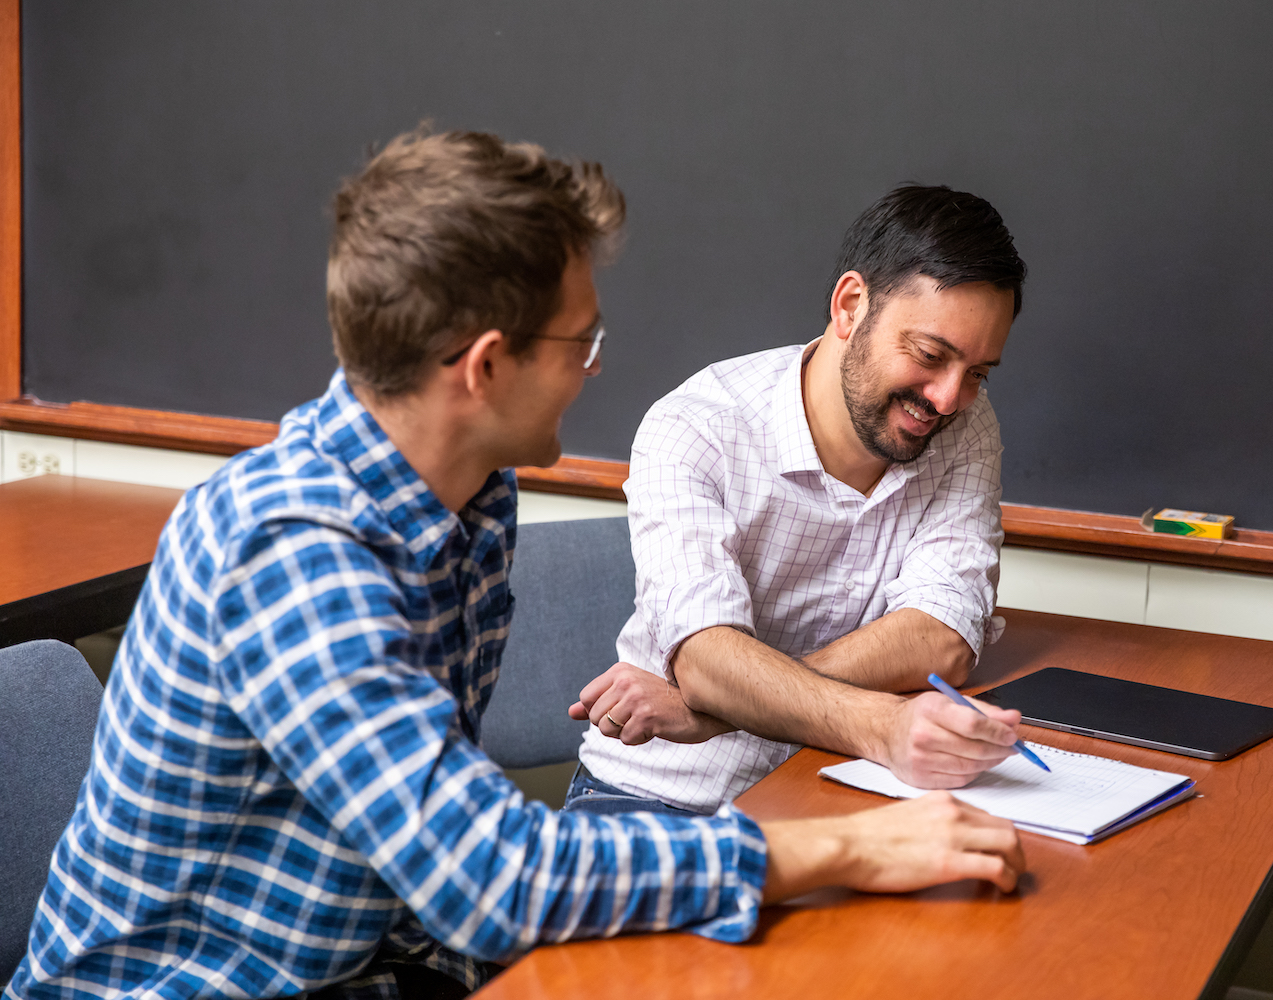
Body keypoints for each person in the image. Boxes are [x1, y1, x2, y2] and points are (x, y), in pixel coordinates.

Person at [5, 132, 1025, 1000]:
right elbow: (489, 875)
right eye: (581, 343)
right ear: (485, 367)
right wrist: (846, 851)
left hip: (366, 957)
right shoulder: (291, 553)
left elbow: (446, 863)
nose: (595, 367)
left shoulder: (472, 496)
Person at [567, 185, 1028, 816]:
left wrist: (720, 710)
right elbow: (705, 659)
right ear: (850, 305)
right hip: (662, 796)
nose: (949, 398)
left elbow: (943, 636)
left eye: (978, 372)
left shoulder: (966, 428)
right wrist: (878, 722)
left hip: (834, 789)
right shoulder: (696, 426)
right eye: (929, 355)